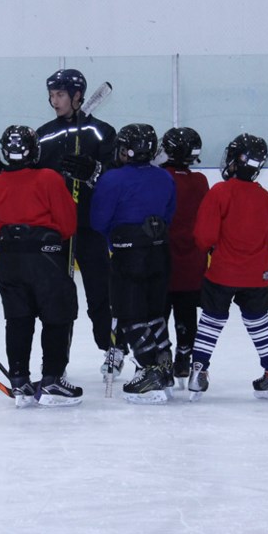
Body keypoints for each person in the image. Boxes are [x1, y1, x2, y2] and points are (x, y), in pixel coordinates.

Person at [0, 69, 118, 377]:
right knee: (58, 301)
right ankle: (58, 365)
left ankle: (111, 349)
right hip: (54, 230)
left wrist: (94, 171)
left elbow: (116, 176)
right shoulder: (43, 134)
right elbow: (24, 177)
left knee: (101, 294)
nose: (54, 101)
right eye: (52, 95)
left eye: (60, 95)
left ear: (78, 96)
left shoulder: (102, 133)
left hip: (92, 226)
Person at [0, 125, 81, 407]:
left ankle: (19, 380)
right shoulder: (49, 178)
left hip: (9, 262)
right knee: (57, 317)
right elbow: (68, 225)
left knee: (18, 318)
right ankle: (51, 380)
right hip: (46, 260)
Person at [188, 133, 268, 401]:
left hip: (223, 272)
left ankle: (198, 372)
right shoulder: (263, 196)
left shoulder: (220, 192)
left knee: (211, 321)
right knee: (259, 323)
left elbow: (204, 236)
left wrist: (211, 248)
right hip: (259, 275)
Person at [91, 123, 176, 403]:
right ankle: (165, 365)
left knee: (130, 313)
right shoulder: (164, 178)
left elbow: (98, 221)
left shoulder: (112, 179)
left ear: (127, 150)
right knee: (154, 312)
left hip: (129, 255)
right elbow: (169, 213)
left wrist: (116, 237)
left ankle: (149, 369)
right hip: (160, 253)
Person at [156, 127, 210, 388]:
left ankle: (162, 357)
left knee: (160, 311)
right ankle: (184, 355)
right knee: (187, 311)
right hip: (192, 260)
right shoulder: (200, 181)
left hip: (164, 259)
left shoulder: (159, 178)